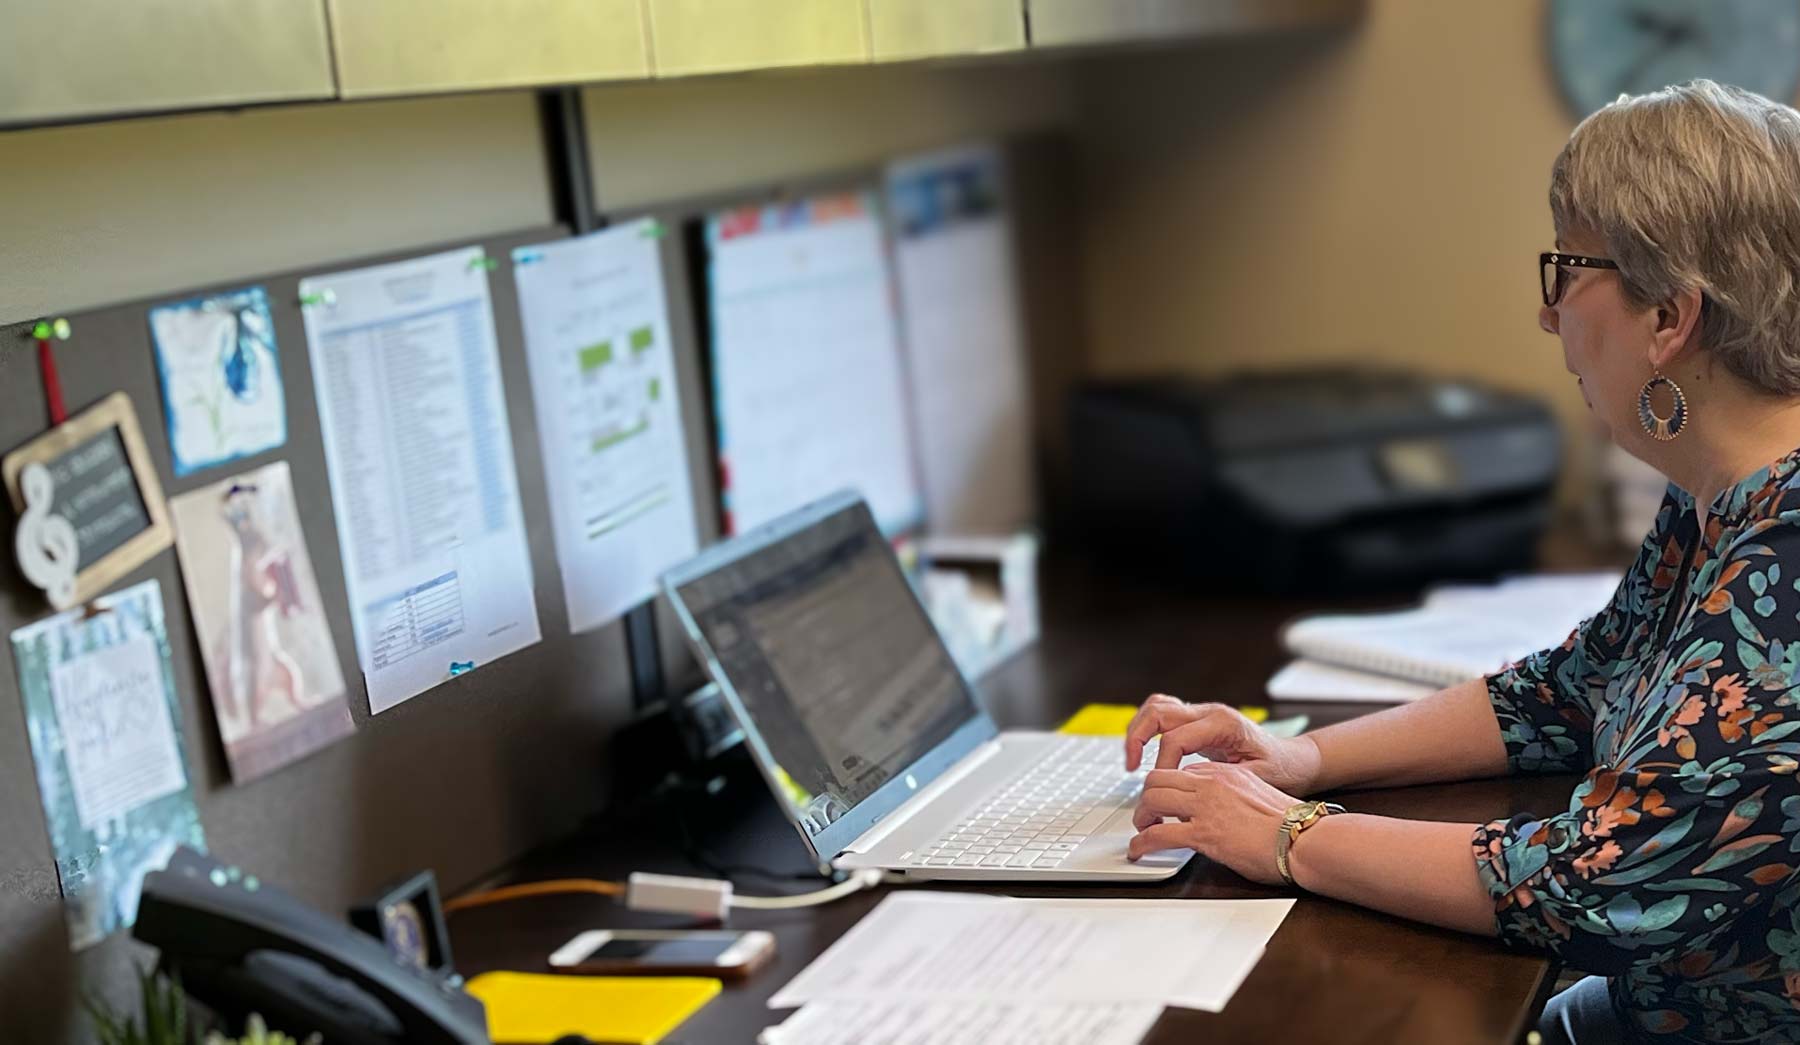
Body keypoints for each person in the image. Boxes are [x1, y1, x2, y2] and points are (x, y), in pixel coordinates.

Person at [1124, 80, 1800, 1044]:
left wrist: (1284, 834)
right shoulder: (1725, 495)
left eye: (1569, 268)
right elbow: (1573, 688)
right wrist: (1301, 758)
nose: (1547, 312)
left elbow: (1592, 885)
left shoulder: (1787, 561)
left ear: (1670, 318)